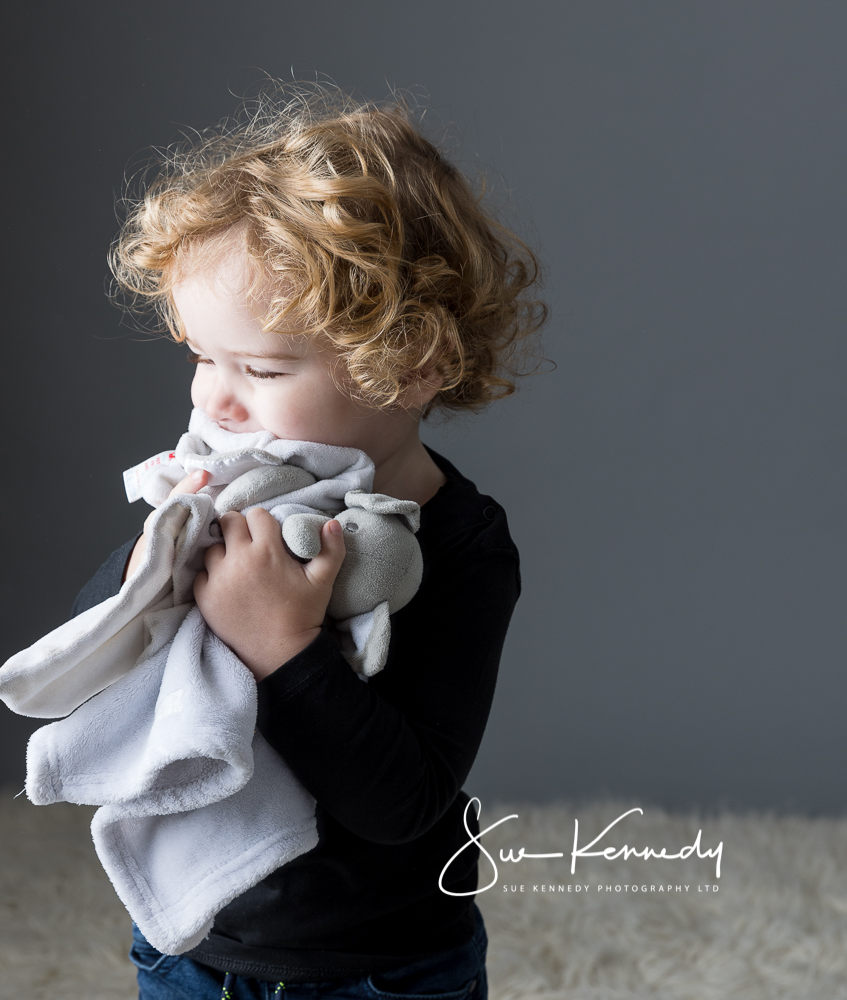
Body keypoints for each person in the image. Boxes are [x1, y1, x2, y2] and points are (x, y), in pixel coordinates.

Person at [72, 84, 546, 1000]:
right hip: (194, 946)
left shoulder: (463, 547)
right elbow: (92, 657)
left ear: (411, 366)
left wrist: (281, 647)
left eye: (261, 368)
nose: (215, 398)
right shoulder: (225, 494)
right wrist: (148, 569)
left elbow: (404, 802)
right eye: (200, 357)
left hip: (382, 962)